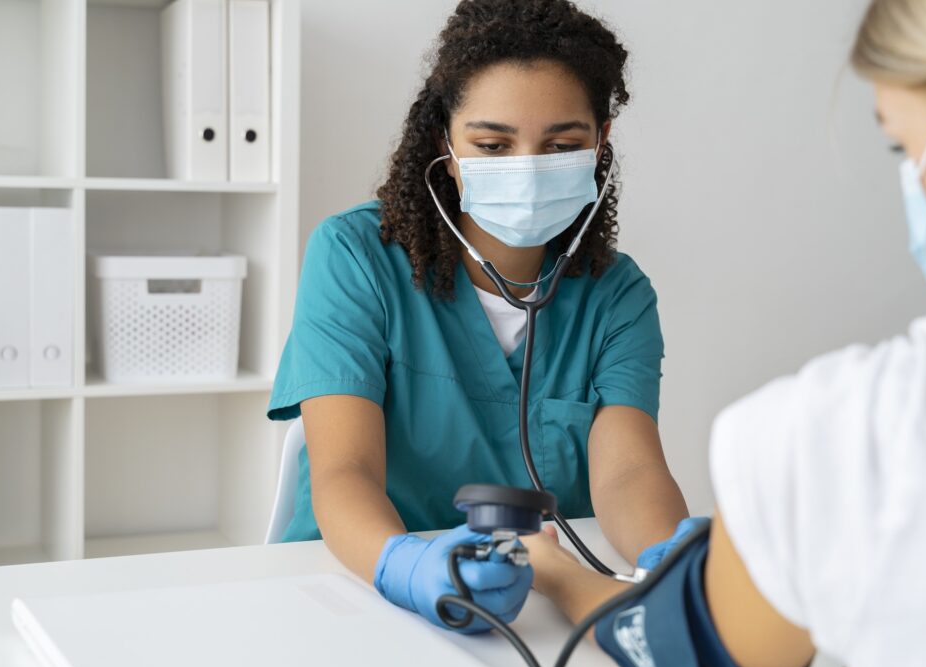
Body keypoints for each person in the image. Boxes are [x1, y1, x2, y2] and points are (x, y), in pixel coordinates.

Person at [523, 0, 926, 667]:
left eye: (903, 147)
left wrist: (562, 572)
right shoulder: (371, 257)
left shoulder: (852, 435)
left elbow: (678, 650)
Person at [267, 0, 689, 633]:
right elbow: (343, 470)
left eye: (562, 145)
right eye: (493, 145)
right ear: (446, 141)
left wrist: (674, 563)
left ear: (600, 142)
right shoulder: (354, 256)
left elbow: (629, 471)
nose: (526, 169)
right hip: (354, 587)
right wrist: (407, 565)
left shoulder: (616, 295)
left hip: (534, 604)